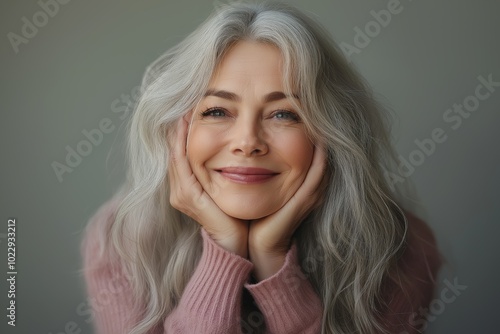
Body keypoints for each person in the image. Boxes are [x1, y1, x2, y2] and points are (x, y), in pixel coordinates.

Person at [82, 1, 441, 333]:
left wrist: (273, 257)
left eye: (284, 114)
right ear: (178, 132)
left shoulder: (403, 249)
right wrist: (223, 252)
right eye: (217, 111)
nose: (248, 141)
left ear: (329, 134)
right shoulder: (120, 239)